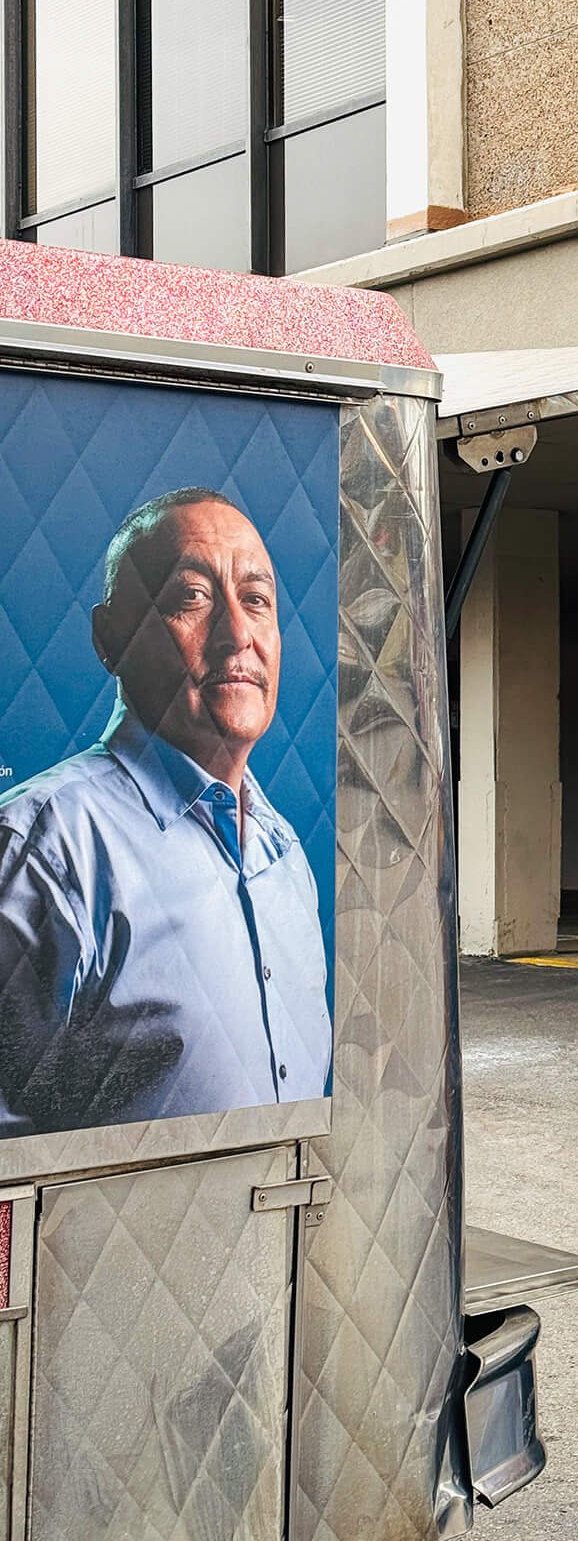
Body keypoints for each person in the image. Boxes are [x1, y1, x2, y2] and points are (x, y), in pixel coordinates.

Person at [0, 487, 331, 1136]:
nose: (238, 634)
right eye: (192, 598)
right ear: (110, 638)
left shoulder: (284, 853)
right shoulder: (40, 851)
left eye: (257, 600)